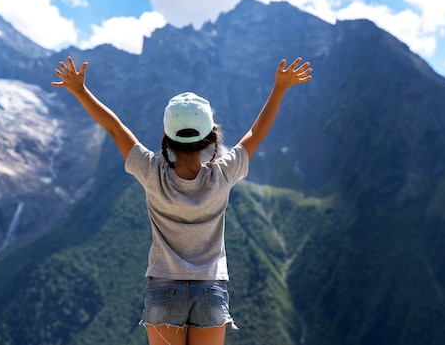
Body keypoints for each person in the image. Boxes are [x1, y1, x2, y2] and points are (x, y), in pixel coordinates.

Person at [52, 55, 312, 345]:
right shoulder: (223, 175)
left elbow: (114, 127)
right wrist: (279, 88)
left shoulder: (151, 172)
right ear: (213, 136)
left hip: (163, 289)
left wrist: (80, 91)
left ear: (166, 137)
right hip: (210, 289)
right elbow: (256, 132)